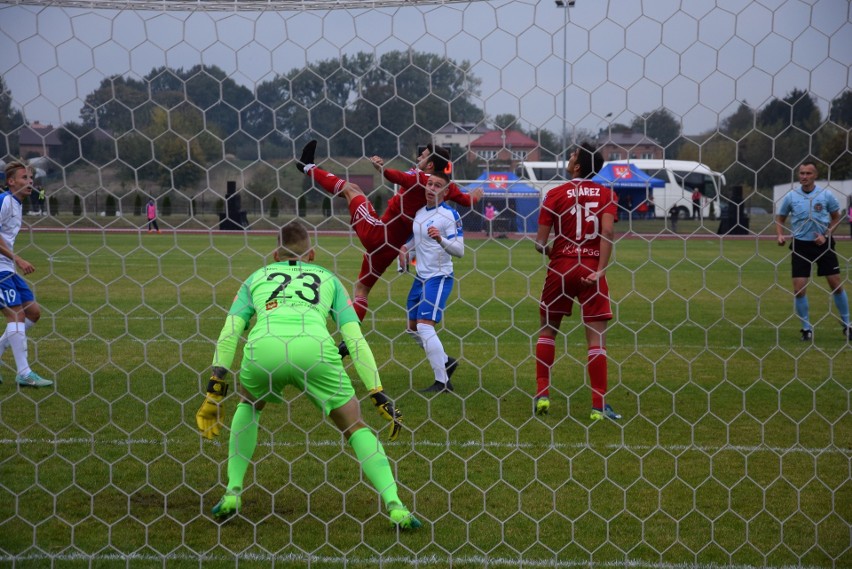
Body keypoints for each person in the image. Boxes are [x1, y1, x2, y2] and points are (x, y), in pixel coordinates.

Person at [195, 221, 421, 528]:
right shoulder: (328, 278)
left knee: (248, 405)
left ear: (275, 254)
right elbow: (354, 339)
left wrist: (214, 390)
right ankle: (396, 507)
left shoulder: (255, 278)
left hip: (265, 350)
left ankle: (232, 492)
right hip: (316, 351)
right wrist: (377, 393)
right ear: (312, 255)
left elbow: (230, 331)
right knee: (355, 426)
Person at [296, 140, 482, 370]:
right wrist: (475, 197)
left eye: (422, 156)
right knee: (362, 290)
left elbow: (399, 178)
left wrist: (382, 169)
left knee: (351, 189)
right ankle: (347, 341)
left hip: (377, 232)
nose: (418, 159)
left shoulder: (419, 178)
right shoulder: (445, 187)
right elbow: (465, 199)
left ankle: (307, 166)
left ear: (430, 162)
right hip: (390, 247)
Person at [532, 143, 620, 420]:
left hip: (560, 268)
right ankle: (598, 405)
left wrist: (552, 251)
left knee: (548, 331)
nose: (569, 158)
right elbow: (607, 230)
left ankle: (543, 394)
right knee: (596, 339)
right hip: (591, 267)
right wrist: (601, 270)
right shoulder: (606, 193)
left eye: (572, 155)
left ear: (579, 165)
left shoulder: (554, 193)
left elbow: (540, 242)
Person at [402, 169, 464, 393]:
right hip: (420, 277)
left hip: (439, 277)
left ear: (446, 192)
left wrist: (441, 239)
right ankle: (446, 361)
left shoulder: (449, 216)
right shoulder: (419, 213)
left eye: (437, 185)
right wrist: (404, 253)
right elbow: (414, 244)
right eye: (429, 183)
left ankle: (443, 382)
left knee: (424, 326)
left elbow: (460, 251)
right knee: (412, 328)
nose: (431, 188)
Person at [774, 160, 849, 341]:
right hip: (801, 245)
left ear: (815, 175)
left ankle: (848, 324)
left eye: (808, 173)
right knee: (799, 290)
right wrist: (780, 235)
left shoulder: (826, 195)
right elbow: (780, 218)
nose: (804, 177)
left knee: (835, 284)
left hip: (823, 244)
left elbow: (836, 217)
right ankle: (806, 328)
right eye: (802, 173)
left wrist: (826, 234)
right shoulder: (791, 196)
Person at [0, 160, 53, 387]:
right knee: (16, 316)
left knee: (33, 313)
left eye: (31, 178)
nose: (29, 182)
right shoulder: (4, 201)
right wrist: (17, 258)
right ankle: (24, 373)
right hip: (1, 268)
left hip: (6, 268)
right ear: (11, 182)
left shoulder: (17, 204)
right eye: (24, 178)